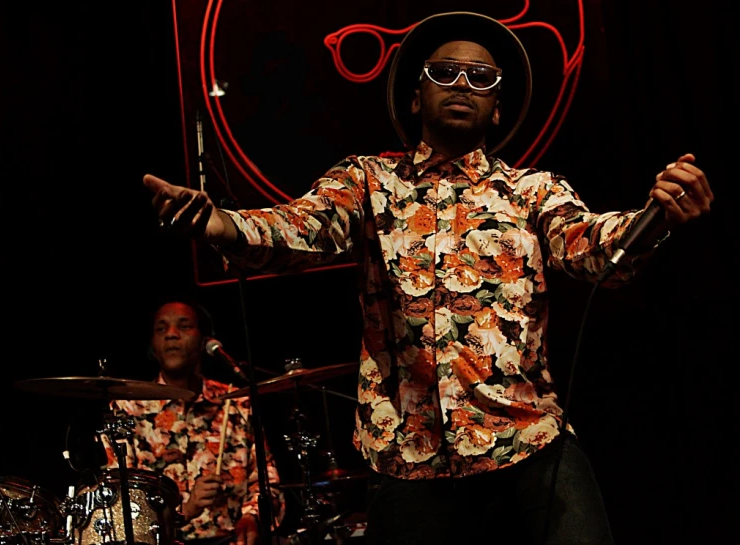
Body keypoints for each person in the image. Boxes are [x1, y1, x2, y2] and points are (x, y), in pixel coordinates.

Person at [140, 11, 713, 545]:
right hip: (408, 455)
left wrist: (654, 218)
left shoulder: (534, 190)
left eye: (482, 78)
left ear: (497, 109)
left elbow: (593, 249)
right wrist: (217, 221)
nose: (463, 83)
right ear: (416, 97)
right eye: (445, 72)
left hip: (528, 441)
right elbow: (301, 227)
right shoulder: (368, 180)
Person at [100, 296, 286, 545]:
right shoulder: (126, 411)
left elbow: (268, 483)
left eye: (184, 326)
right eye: (161, 328)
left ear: (203, 341)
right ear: (153, 345)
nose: (172, 335)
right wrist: (185, 511)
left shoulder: (236, 403)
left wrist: (252, 517)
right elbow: (117, 506)